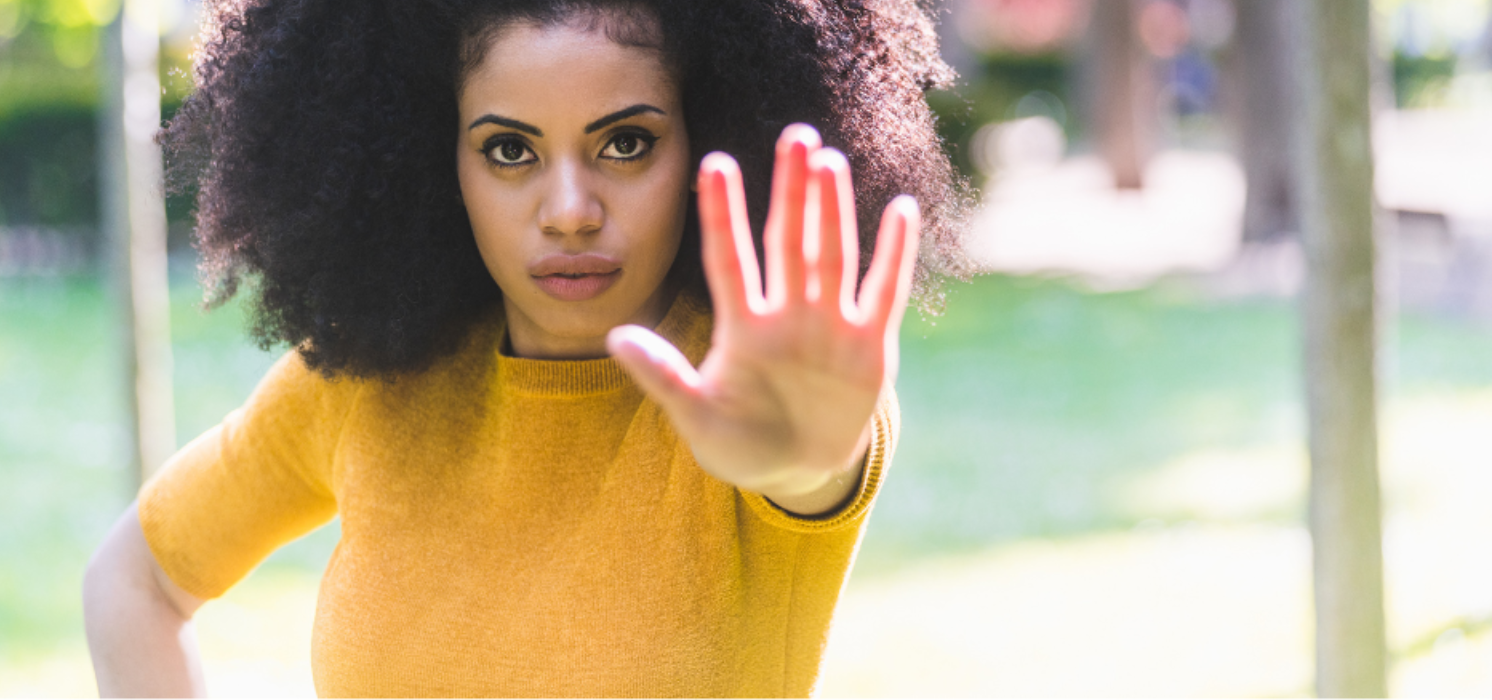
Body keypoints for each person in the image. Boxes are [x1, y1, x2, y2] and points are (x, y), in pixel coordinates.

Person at [82, 0, 975, 696]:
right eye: (510, 151)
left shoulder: (761, 385)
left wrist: (806, 463)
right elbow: (135, 584)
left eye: (626, 144)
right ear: (440, 163)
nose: (569, 209)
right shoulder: (362, 387)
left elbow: (814, 463)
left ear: (710, 136)